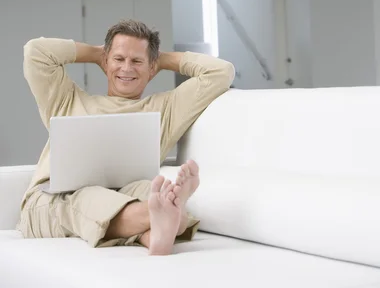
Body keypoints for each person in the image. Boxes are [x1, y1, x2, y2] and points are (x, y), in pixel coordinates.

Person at [18, 20, 235, 256]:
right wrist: (97, 54)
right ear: (106, 61)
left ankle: (154, 233)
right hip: (52, 199)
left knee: (149, 189)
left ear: (152, 68)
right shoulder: (67, 100)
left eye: (137, 61)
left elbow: (220, 72)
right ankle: (163, 215)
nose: (127, 68)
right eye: (119, 59)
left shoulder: (165, 109)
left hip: (124, 192)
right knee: (89, 196)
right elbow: (36, 53)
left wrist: (160, 59)